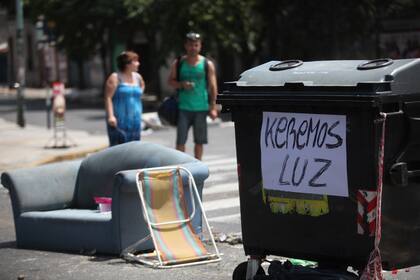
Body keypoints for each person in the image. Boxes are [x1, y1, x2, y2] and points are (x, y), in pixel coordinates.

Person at [167, 32, 218, 160]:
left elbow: (213, 86)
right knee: (180, 141)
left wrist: (213, 107)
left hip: (201, 107)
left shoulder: (207, 64)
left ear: (200, 46)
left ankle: (197, 166)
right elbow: (170, 81)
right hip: (183, 107)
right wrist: (181, 84)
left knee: (199, 141)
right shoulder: (178, 63)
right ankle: (181, 166)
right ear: (186, 46)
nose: (193, 48)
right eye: (190, 45)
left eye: (196, 45)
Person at [104, 51, 145, 146]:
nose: (138, 63)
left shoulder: (138, 77)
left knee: (135, 147)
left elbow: (141, 88)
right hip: (119, 120)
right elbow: (108, 97)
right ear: (127, 64)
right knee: (119, 148)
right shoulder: (115, 77)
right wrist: (111, 116)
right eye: (135, 61)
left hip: (135, 119)